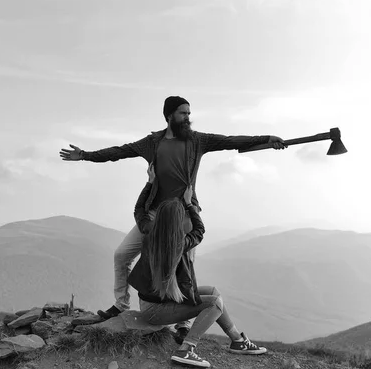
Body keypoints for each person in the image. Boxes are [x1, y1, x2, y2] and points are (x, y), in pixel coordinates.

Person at [59, 96, 286, 342]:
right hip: (155, 214)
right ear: (168, 116)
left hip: (185, 213)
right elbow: (119, 152)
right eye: (182, 113)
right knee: (122, 255)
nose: (188, 117)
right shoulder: (152, 143)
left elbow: (230, 141)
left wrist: (266, 139)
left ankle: (183, 324)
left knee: (184, 266)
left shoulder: (198, 140)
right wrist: (85, 155)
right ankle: (120, 305)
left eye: (189, 113)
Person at [128, 164, 267, 368]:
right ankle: (186, 349)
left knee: (213, 291)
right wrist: (189, 204)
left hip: (151, 302)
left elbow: (139, 210)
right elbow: (200, 229)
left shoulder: (149, 231)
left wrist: (150, 183)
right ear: (177, 223)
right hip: (156, 311)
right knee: (214, 303)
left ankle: (237, 340)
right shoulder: (180, 244)